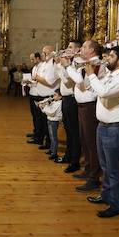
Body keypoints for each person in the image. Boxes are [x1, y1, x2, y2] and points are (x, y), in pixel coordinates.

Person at [83, 46, 119, 218]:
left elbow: (105, 92)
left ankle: (116, 204)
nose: (107, 58)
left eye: (111, 56)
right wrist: (92, 75)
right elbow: (94, 90)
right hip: (103, 125)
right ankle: (106, 195)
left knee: (114, 168)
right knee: (105, 166)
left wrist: (91, 74)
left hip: (115, 128)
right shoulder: (109, 75)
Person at [66, 40, 104, 193]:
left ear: (92, 50)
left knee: (91, 142)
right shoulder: (86, 63)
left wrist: (67, 65)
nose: (80, 49)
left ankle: (94, 177)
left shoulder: (96, 64)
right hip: (82, 106)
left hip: (90, 107)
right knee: (85, 140)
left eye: (84, 47)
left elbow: (82, 82)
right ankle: (89, 169)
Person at [55, 42, 82, 171]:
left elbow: (66, 81)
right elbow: (60, 78)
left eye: (70, 47)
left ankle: (74, 161)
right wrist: (60, 64)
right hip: (66, 99)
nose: (67, 49)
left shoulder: (76, 64)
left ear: (78, 49)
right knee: (68, 131)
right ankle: (68, 155)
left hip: (72, 100)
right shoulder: (69, 64)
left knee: (74, 132)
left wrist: (62, 65)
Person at [39, 93, 63, 161]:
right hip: (50, 120)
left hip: (54, 121)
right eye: (53, 95)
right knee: (51, 136)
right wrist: (48, 104)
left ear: (60, 97)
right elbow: (50, 109)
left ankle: (54, 153)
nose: (53, 96)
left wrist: (43, 108)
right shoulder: (55, 102)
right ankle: (51, 150)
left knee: (53, 138)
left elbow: (51, 112)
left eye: (55, 95)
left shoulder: (59, 103)